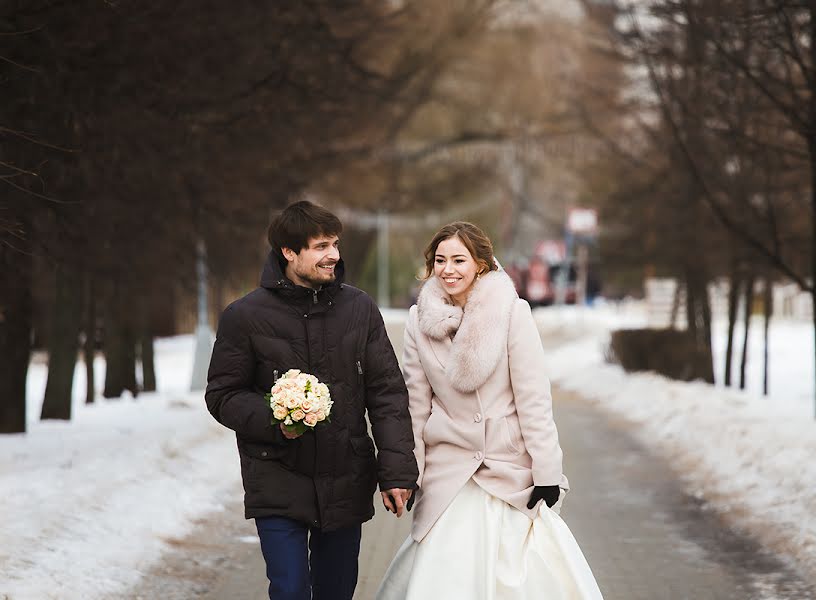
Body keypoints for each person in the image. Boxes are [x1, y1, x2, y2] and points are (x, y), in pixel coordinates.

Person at [377, 221, 604, 599]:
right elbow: (415, 405)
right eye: (440, 260)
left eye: (459, 260)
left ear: (481, 264)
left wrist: (547, 470)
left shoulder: (513, 313)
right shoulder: (420, 320)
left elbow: (533, 400)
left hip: (507, 469)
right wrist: (408, 472)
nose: (448, 269)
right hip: (449, 471)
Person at [205, 200, 418, 600]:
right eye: (321, 246)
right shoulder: (244, 316)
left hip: (345, 474)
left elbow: (387, 392)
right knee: (289, 590)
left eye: (335, 244)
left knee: (336, 592)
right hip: (276, 475)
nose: (333, 255)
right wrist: (275, 416)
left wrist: (396, 472)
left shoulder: (360, 309)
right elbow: (222, 395)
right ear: (289, 251)